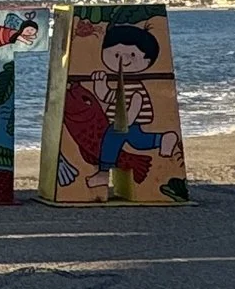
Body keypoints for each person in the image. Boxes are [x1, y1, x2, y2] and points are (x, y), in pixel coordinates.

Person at [67, 22, 182, 191]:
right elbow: (107, 97)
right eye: (116, 54)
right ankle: (163, 139)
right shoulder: (123, 84)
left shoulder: (134, 86)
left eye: (133, 55)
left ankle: (103, 173)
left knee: (111, 139)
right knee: (138, 142)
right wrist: (100, 84)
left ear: (148, 61)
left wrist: (127, 121)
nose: (124, 60)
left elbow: (137, 101)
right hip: (124, 122)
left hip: (127, 122)